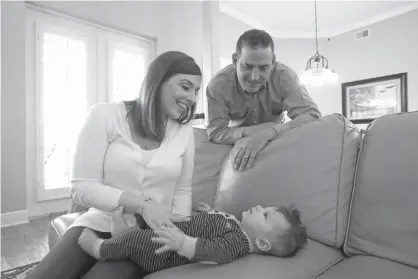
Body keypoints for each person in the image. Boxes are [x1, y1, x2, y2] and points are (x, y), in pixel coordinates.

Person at [27, 51, 203, 279]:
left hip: (147, 237)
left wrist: (177, 237)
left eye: (196, 91)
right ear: (158, 81)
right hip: (99, 221)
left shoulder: (184, 133)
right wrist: (141, 204)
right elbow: (81, 188)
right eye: (185, 87)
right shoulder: (105, 115)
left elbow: (182, 190)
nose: (191, 98)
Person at [206, 29, 322, 171]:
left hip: (278, 141)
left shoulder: (286, 77)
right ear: (235, 60)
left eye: (263, 68)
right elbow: (215, 132)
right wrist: (254, 131)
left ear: (273, 62)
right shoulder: (218, 85)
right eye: (247, 67)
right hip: (236, 148)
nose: (255, 77)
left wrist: (269, 132)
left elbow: (313, 116)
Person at [77, 203, 307, 273]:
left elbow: (212, 250)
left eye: (265, 214)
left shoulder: (239, 243)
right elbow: (212, 225)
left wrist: (182, 243)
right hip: (171, 231)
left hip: (166, 253)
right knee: (147, 218)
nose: (259, 207)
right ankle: (125, 233)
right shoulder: (237, 224)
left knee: (139, 241)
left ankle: (102, 247)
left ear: (262, 243)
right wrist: (208, 211)